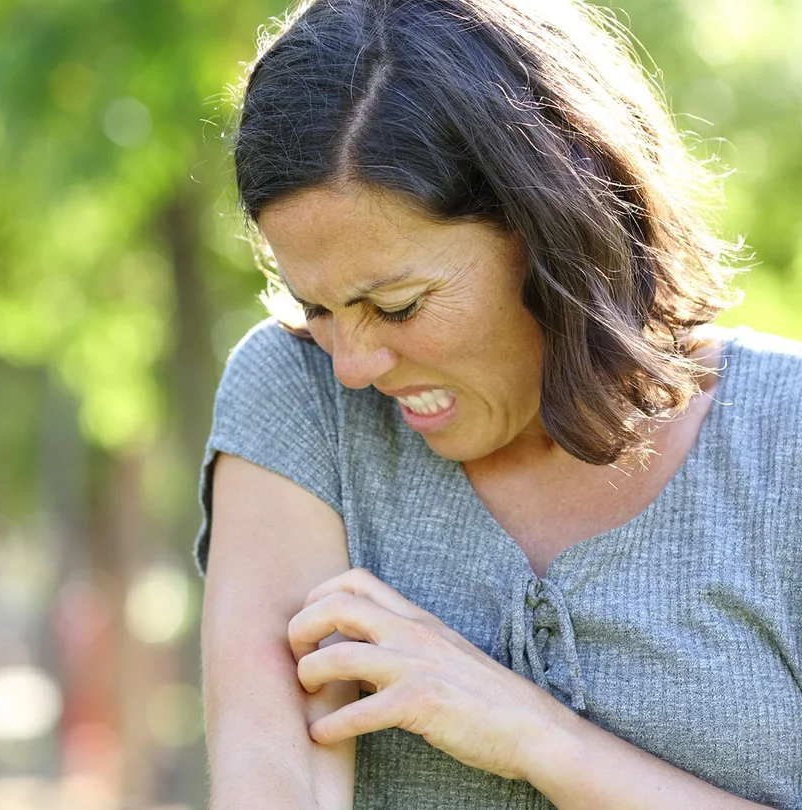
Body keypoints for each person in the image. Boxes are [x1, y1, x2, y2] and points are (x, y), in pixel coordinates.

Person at [194, 1, 802, 808]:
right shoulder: (299, 399)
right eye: (317, 307)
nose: (352, 365)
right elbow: (275, 777)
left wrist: (535, 737)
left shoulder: (785, 437)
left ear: (554, 233)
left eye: (399, 305)